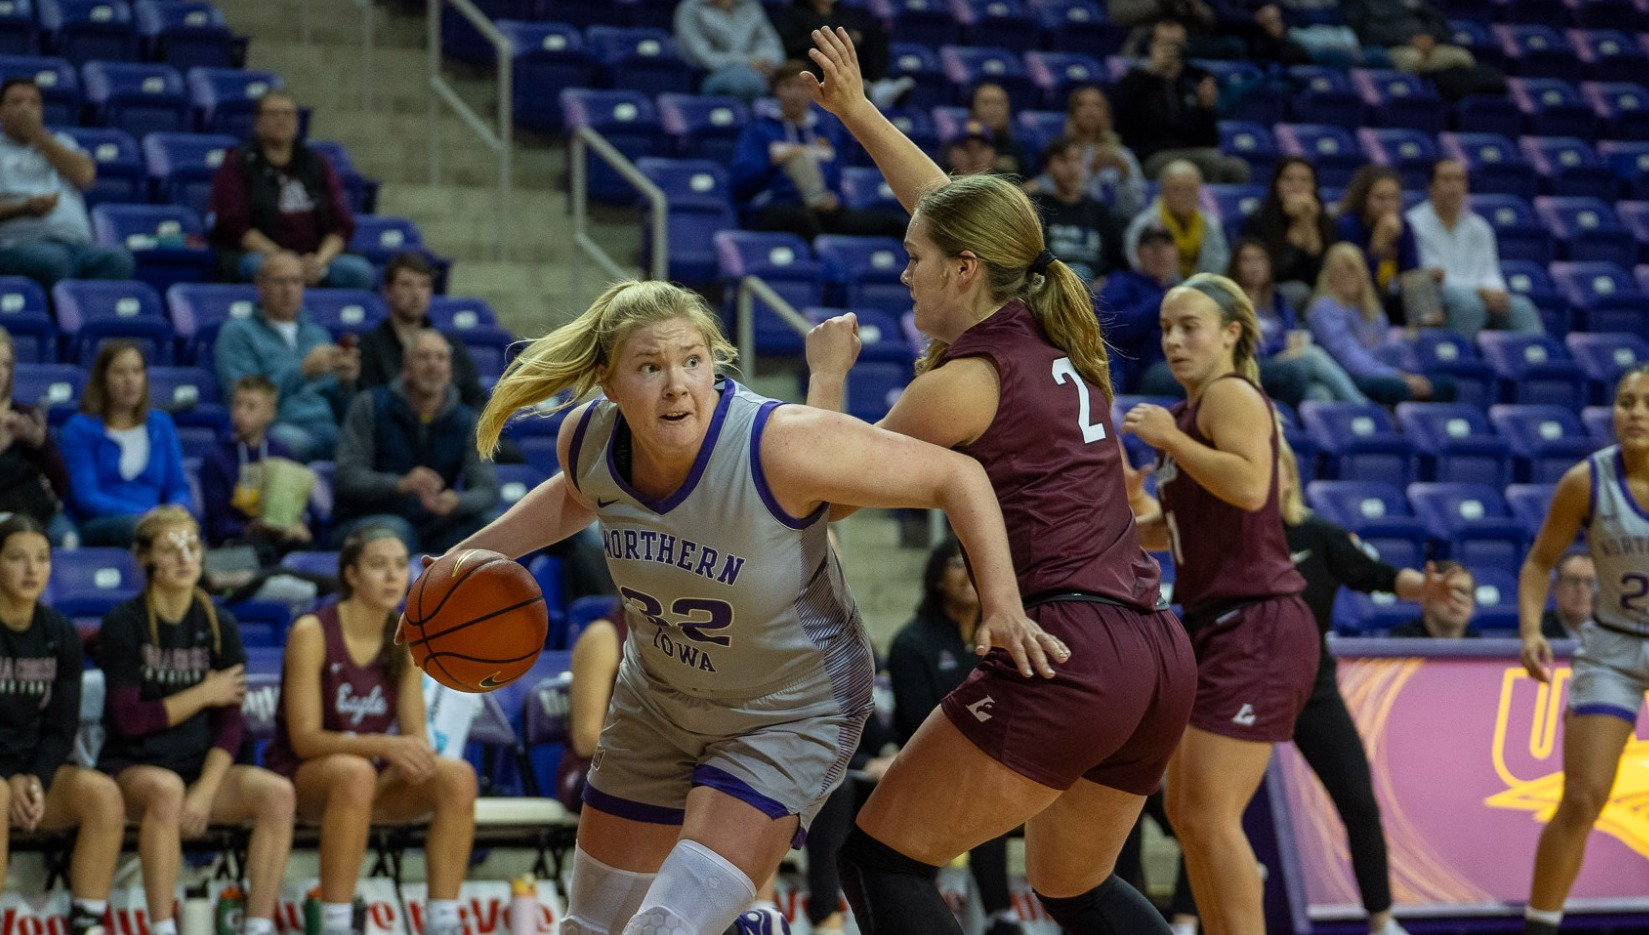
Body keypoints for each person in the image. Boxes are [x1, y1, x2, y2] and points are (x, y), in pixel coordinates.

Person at [411, 273, 1061, 935]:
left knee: (664, 927)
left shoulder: (775, 441)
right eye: (649, 366)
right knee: (589, 928)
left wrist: (1001, 603)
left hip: (787, 707)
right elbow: (573, 495)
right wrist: (464, 560)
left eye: (691, 361)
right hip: (657, 703)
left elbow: (959, 473)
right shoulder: (588, 441)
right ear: (608, 382)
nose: (676, 385)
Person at [804, 28, 1196, 935]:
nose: (905, 272)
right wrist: (859, 114)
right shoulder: (1062, 335)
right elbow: (950, 208)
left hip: (1064, 650)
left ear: (964, 271)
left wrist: (828, 377)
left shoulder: (961, 386)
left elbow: (819, 495)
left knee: (878, 860)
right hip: (1152, 651)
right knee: (1074, 888)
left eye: (914, 259)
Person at [1120, 272, 1319, 935]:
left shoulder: (1229, 395)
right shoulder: (1186, 416)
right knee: (1185, 811)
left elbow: (1248, 483)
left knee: (1206, 812)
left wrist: (1169, 443)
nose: (1173, 340)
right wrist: (1130, 508)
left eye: (1189, 326)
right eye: (1165, 328)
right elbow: (1171, 531)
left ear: (1231, 333)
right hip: (1213, 621)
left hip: (1257, 620)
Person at [263, 526, 476, 935]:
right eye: (378, 566)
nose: (394, 576)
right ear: (351, 576)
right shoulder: (312, 631)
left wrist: (416, 756)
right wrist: (384, 745)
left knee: (457, 777)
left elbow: (416, 736)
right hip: (305, 778)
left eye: (400, 566)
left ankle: (442, 921)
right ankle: (337, 923)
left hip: (366, 780)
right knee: (353, 773)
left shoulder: (406, 636)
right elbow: (304, 739)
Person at [97, 507, 294, 935]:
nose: (186, 556)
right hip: (134, 768)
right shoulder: (123, 625)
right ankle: (163, 926)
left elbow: (230, 723)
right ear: (145, 559)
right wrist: (203, 693)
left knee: (277, 794)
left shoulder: (219, 622)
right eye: (171, 548)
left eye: (192, 545)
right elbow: (130, 720)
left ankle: (259, 924)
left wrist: (205, 791)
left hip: (200, 770)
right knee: (165, 791)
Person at [1276, 441, 1445, 935]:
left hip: (1314, 686)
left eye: (1275, 469)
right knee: (1223, 810)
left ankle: (1382, 920)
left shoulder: (1320, 534)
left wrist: (1425, 588)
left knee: (1359, 803)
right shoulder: (1234, 535)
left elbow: (1381, 576)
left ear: (1288, 476)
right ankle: (1181, 921)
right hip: (1247, 684)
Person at [1517, 365, 1649, 935]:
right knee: (1582, 797)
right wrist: (1529, 630)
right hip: (1613, 646)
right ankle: (1540, 926)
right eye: (1625, 401)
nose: (1636, 412)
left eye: (1646, 402)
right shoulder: (1585, 481)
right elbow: (1539, 563)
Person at [885, 540, 1023, 935]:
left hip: (1013, 768)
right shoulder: (912, 643)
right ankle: (1002, 919)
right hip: (935, 772)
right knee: (982, 790)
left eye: (975, 563)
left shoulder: (1010, 638)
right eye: (956, 564)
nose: (968, 573)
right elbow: (920, 726)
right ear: (937, 578)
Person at [0, 515, 124, 935]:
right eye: (17, 558)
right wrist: (10, 778)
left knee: (102, 795)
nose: (32, 570)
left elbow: (61, 725)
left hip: (31, 773)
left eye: (41, 558)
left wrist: (35, 777)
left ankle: (87, 922)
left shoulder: (60, 634)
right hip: (1, 781)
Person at [332, 329, 499, 553]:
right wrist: (400, 485)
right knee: (396, 532)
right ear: (406, 369)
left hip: (435, 523)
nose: (433, 365)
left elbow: (487, 490)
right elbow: (347, 477)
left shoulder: (466, 420)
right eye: (424, 357)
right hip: (367, 519)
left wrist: (456, 502)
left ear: (449, 370)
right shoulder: (370, 405)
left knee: (489, 526)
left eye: (441, 358)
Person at [207, 90, 373, 288]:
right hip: (261, 254)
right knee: (265, 269)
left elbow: (341, 225)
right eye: (273, 113)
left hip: (313, 258)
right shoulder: (238, 163)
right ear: (257, 123)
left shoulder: (316, 163)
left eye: (288, 114)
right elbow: (234, 225)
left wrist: (319, 262)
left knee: (359, 272)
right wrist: (285, 260)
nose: (281, 119)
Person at [730, 63, 908, 242]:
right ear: (776, 91)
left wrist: (835, 199)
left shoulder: (826, 129)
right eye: (788, 86)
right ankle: (825, 266)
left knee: (894, 224)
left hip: (822, 209)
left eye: (802, 87)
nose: (795, 94)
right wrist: (772, 162)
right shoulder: (758, 130)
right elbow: (741, 183)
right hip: (775, 207)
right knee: (806, 222)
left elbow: (835, 180)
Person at [214, 251, 361, 460]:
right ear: (260, 285)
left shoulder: (317, 334)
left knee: (376, 445)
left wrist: (346, 384)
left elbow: (341, 407)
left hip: (327, 426)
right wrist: (303, 371)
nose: (289, 290)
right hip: (279, 426)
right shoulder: (237, 333)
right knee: (290, 442)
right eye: (280, 282)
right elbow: (245, 398)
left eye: (296, 281)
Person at [0, 77, 135, 288]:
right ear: (1, 111)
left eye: (34, 103)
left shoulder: (61, 143)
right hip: (16, 245)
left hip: (76, 245)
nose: (26, 109)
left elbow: (85, 176)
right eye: (17, 102)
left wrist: (37, 136)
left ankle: (94, 320)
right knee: (55, 260)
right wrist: (23, 209)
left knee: (117, 260)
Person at [60, 342, 194, 548]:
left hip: (157, 522)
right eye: (120, 372)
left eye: (137, 371)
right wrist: (144, 516)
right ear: (103, 379)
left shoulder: (161, 424)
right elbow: (86, 496)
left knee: (186, 528)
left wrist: (175, 510)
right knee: (138, 531)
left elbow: (178, 487)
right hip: (103, 523)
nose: (130, 380)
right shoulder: (79, 429)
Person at [1405, 159, 1544, 340]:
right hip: (1433, 295)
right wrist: (1481, 291)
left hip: (1479, 294)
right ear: (1431, 187)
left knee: (1522, 307)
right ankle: (1458, 360)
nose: (1454, 186)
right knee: (1469, 305)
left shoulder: (1480, 226)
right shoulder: (1413, 224)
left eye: (1459, 180)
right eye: (1446, 179)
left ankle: (1533, 362)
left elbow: (1489, 271)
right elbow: (1432, 274)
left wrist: (1496, 290)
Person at [1306, 242, 1458, 404]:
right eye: (1338, 271)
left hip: (1385, 372)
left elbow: (1387, 349)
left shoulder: (1371, 308)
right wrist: (1398, 377)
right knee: (1396, 388)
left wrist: (1410, 375)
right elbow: (1349, 358)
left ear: (1363, 273)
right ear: (1328, 276)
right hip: (1350, 376)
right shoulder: (1324, 309)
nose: (1346, 275)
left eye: (1351, 268)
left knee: (1446, 385)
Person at [1229, 237, 1366, 407]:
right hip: (1254, 367)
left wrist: (1290, 349)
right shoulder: (1231, 304)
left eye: (1260, 259)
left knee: (1319, 393)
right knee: (1312, 356)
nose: (1254, 265)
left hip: (1287, 365)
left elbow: (1291, 333)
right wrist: (1281, 351)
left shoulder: (1278, 301)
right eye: (1246, 260)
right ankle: (1364, 406)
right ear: (1236, 266)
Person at [1112, 21, 1249, 183]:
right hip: (1151, 156)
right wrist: (1151, 72)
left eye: (1176, 45)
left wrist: (1207, 110)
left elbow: (1209, 141)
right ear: (1151, 46)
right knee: (1208, 161)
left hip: (1192, 152)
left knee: (1237, 168)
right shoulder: (1135, 80)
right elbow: (1118, 121)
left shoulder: (1193, 81)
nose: (1171, 51)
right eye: (1164, 44)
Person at [199, 375, 312, 562]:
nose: (241, 413)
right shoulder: (216, 458)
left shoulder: (284, 453)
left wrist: (295, 526)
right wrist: (253, 528)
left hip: (279, 539)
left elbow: (295, 508)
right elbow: (218, 525)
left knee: (306, 549)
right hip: (234, 544)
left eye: (251, 406)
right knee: (263, 552)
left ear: (270, 413)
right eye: (237, 404)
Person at [357, 253, 488, 410]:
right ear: (388, 291)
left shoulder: (449, 343)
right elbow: (368, 407)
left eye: (424, 285)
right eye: (406, 285)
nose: (416, 294)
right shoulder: (368, 347)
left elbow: (476, 399)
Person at [1335, 166, 1435, 327]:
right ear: (1364, 199)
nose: (1388, 205)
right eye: (1380, 198)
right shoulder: (1348, 225)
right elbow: (1354, 279)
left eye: (1394, 198)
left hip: (1390, 291)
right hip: (1356, 296)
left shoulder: (1404, 226)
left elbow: (1411, 270)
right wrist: (1378, 245)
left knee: (1419, 285)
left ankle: (1429, 340)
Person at [0, 328, 74, 544]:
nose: (1, 372)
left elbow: (62, 485)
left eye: (6, 364)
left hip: (33, 512)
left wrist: (40, 444)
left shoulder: (24, 416)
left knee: (65, 536)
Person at [772, 0, 911, 110]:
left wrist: (853, 35)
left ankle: (877, 85)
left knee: (873, 34)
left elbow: (855, 28)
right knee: (821, 51)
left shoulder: (841, 11)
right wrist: (829, 40)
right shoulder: (792, 13)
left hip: (845, 59)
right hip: (815, 63)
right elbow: (791, 44)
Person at [1029, 136, 1128, 287]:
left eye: (1077, 160)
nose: (1071, 167)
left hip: (1096, 291)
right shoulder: (1036, 207)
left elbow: (1117, 260)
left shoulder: (1099, 210)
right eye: (1063, 160)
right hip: (1051, 287)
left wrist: (1105, 280)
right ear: (1047, 168)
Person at [1239, 156, 1336, 311]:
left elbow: (1323, 274)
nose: (1297, 186)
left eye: (1305, 180)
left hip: (1317, 296)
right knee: (1301, 292)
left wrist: (1309, 222)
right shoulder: (1258, 219)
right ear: (1276, 184)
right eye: (1288, 179)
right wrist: (1297, 227)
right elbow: (1275, 273)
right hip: (1268, 293)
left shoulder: (1324, 220)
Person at [1098, 221, 1181, 395]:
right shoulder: (1121, 282)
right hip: (1144, 371)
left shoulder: (1183, 289)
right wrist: (1162, 301)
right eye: (1151, 246)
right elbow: (1111, 329)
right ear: (1138, 252)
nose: (1159, 253)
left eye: (1166, 246)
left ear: (1175, 253)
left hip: (1182, 359)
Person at [1040, 85, 1145, 218]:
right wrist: (1092, 171)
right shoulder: (1062, 154)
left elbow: (1134, 209)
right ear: (1072, 114)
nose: (1090, 111)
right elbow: (1055, 196)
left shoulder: (1123, 155)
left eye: (1097, 105)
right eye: (1082, 105)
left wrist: (1124, 174)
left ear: (1106, 113)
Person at [1125, 160, 1230, 280]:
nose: (1184, 195)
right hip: (1154, 290)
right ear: (1163, 191)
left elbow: (1219, 262)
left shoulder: (1210, 223)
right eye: (1176, 189)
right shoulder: (1144, 224)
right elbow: (1135, 261)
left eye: (1190, 189)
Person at [674, 0, 787, 105]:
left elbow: (770, 42)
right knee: (744, 82)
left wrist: (767, 61)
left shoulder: (750, 5)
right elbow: (701, 54)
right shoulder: (690, 9)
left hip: (758, 72)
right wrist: (748, 62)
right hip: (710, 73)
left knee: (794, 81)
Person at [1342, 0, 1475, 74]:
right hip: (1393, 47)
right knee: (1412, 59)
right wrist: (1408, 41)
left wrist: (1431, 37)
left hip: (1427, 45)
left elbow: (1439, 22)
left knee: (1461, 56)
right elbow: (1364, 32)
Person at [1387, 561, 1478, 638]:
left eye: (1464, 592)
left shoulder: (1478, 645)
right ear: (1425, 600)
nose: (1456, 600)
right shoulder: (1402, 641)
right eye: (1446, 592)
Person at [967, 83, 1033, 178]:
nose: (993, 109)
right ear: (973, 109)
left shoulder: (1019, 149)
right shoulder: (958, 146)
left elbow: (1031, 183)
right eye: (986, 102)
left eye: (1000, 103)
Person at [1540, 551, 1595, 641]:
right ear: (1555, 587)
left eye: (1590, 582)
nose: (1581, 589)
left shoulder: (1614, 632)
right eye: (1573, 580)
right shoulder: (1536, 632)